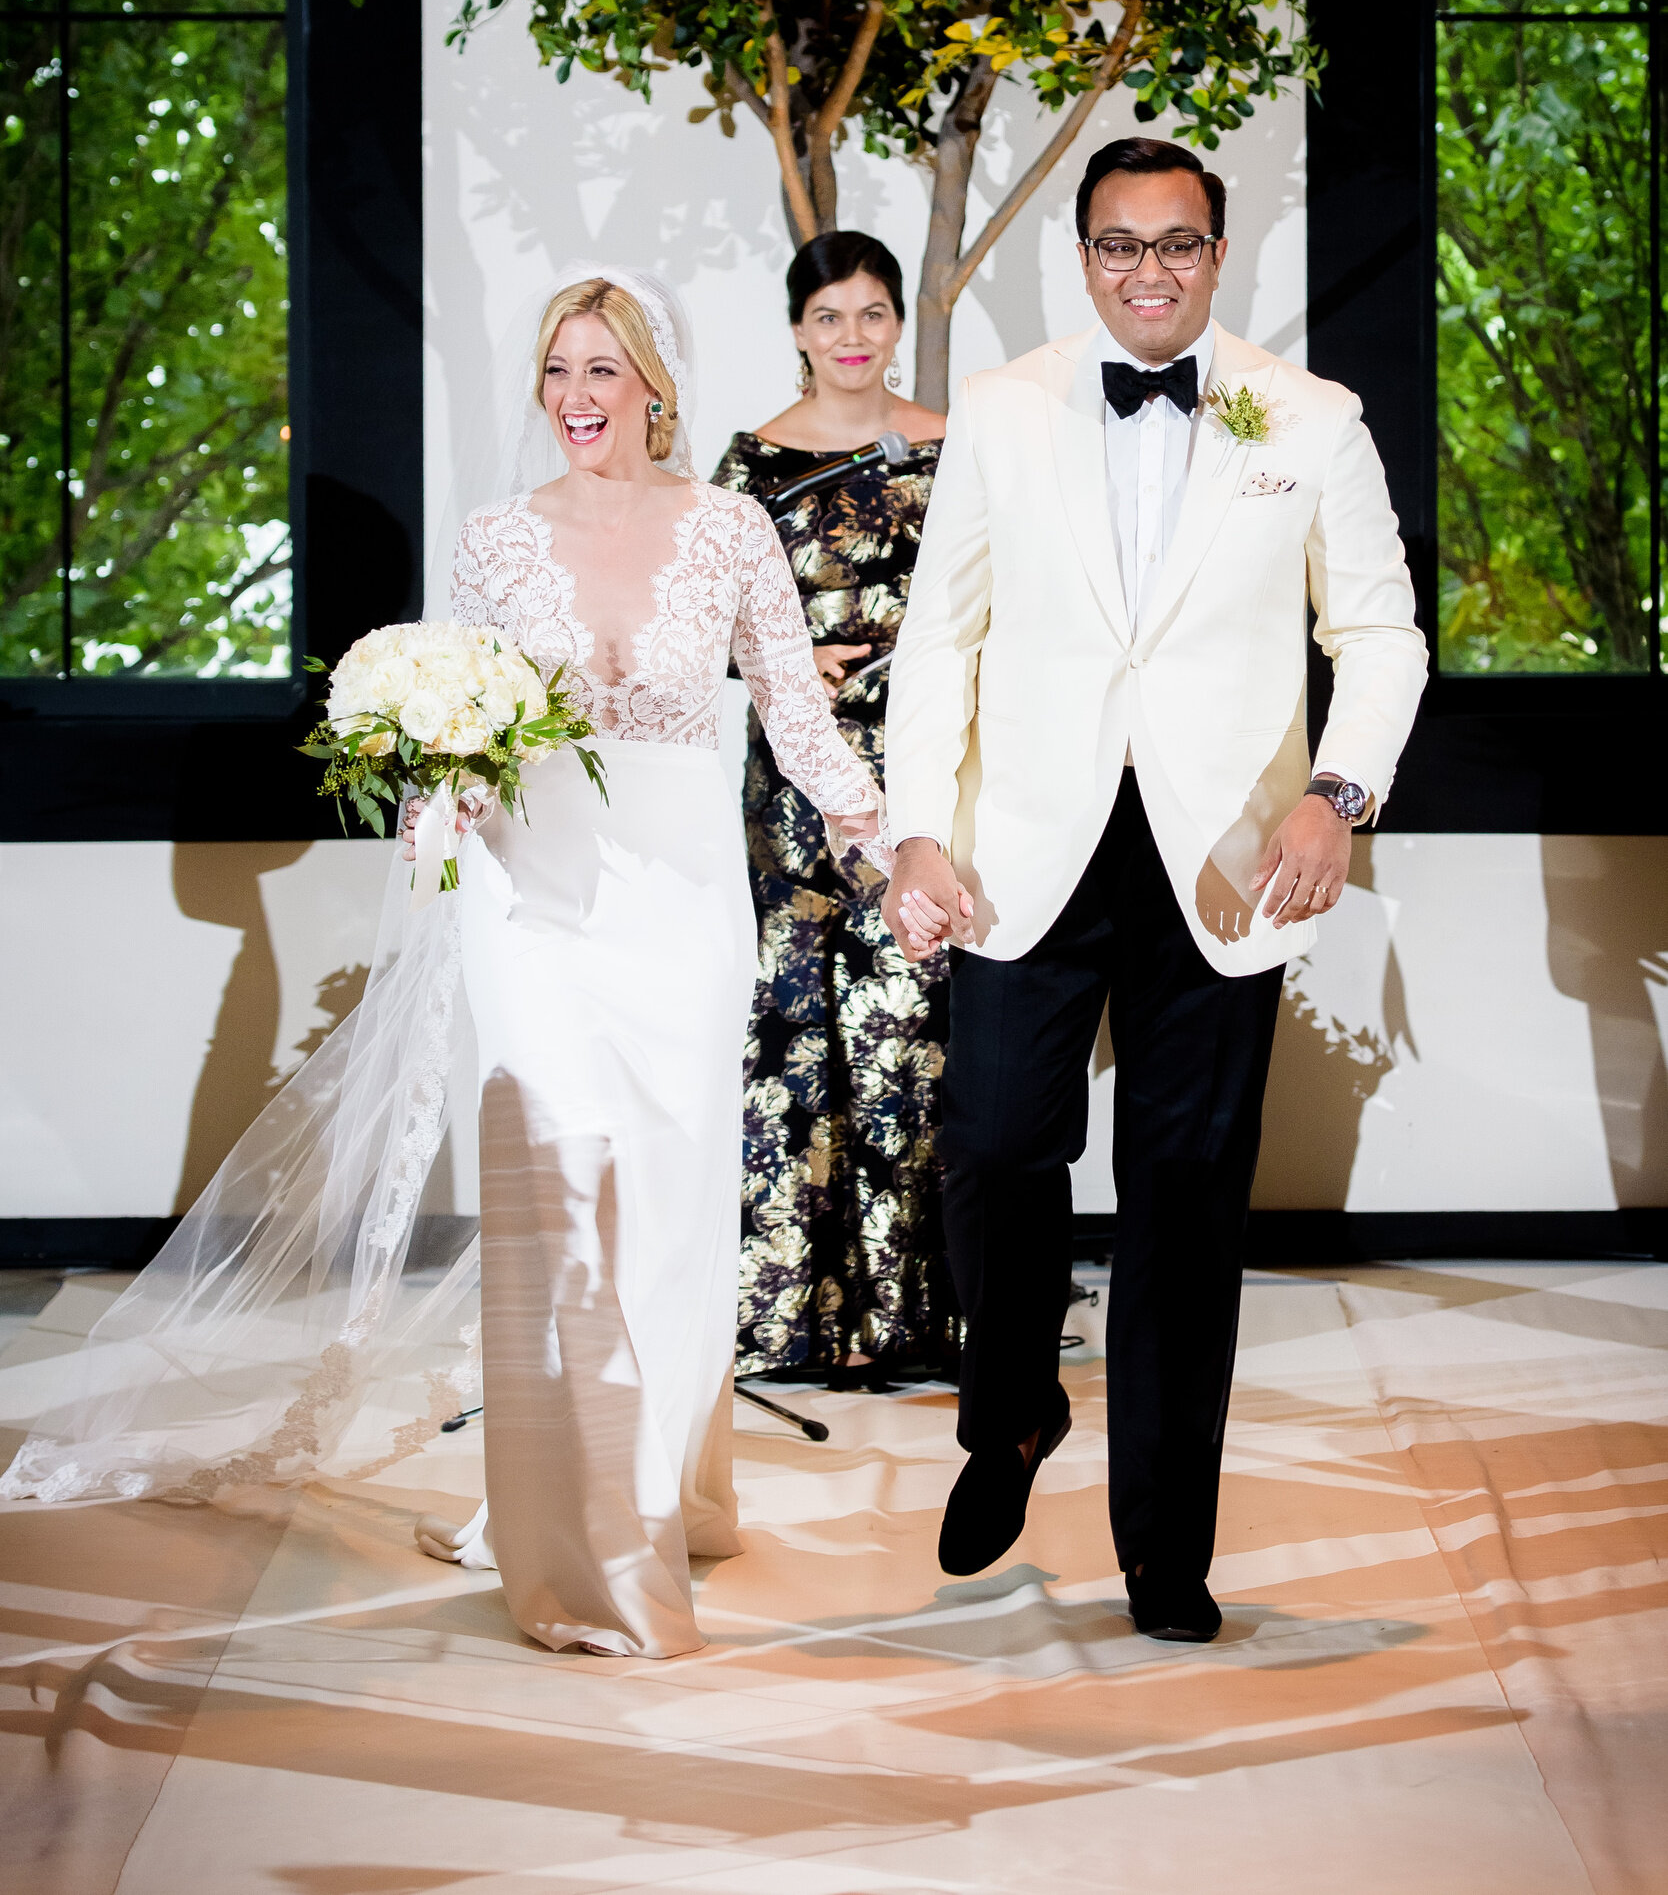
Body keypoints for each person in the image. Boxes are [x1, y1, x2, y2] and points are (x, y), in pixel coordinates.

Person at [1, 269, 902, 1664]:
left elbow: (792, 710)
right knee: (563, 1167)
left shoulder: (730, 529)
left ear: (655, 385)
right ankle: (576, 1541)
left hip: (679, 898)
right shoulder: (497, 540)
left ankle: (652, 1485)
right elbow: (461, 726)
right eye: (557, 372)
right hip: (526, 890)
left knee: (668, 1198)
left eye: (604, 370)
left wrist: (881, 840)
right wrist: (432, 808)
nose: (578, 399)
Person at [880, 138, 1427, 1644]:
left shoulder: (1309, 421)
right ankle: (1011, 1414)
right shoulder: (1002, 412)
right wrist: (918, 828)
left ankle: (1165, 1548)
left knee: (1186, 1206)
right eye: (1119, 247)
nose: (1149, 272)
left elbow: (1379, 638)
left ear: (1218, 251)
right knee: (993, 1147)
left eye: (1176, 245)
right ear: (1082, 257)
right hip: (1027, 847)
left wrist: (1338, 797)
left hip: (1232, 862)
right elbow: (942, 639)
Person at [713, 232, 952, 1387]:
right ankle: (797, 1316)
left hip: (922, 767)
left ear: (897, 321)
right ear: (798, 328)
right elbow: (688, 625)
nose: (852, 338)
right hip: (796, 785)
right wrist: (785, 668)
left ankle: (915, 1315)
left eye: (873, 314)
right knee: (797, 1030)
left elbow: (999, 599)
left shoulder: (952, 446)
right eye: (829, 317)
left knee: (913, 1028)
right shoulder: (750, 464)